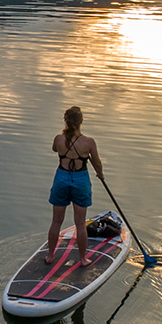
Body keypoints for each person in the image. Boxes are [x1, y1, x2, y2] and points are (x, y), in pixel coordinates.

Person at [44, 106, 104, 266]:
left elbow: (54, 149)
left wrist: (65, 135)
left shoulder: (58, 139)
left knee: (56, 221)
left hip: (61, 178)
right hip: (80, 179)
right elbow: (97, 162)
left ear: (66, 121)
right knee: (80, 223)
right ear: (81, 122)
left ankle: (50, 256)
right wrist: (100, 174)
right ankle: (83, 259)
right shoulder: (89, 142)